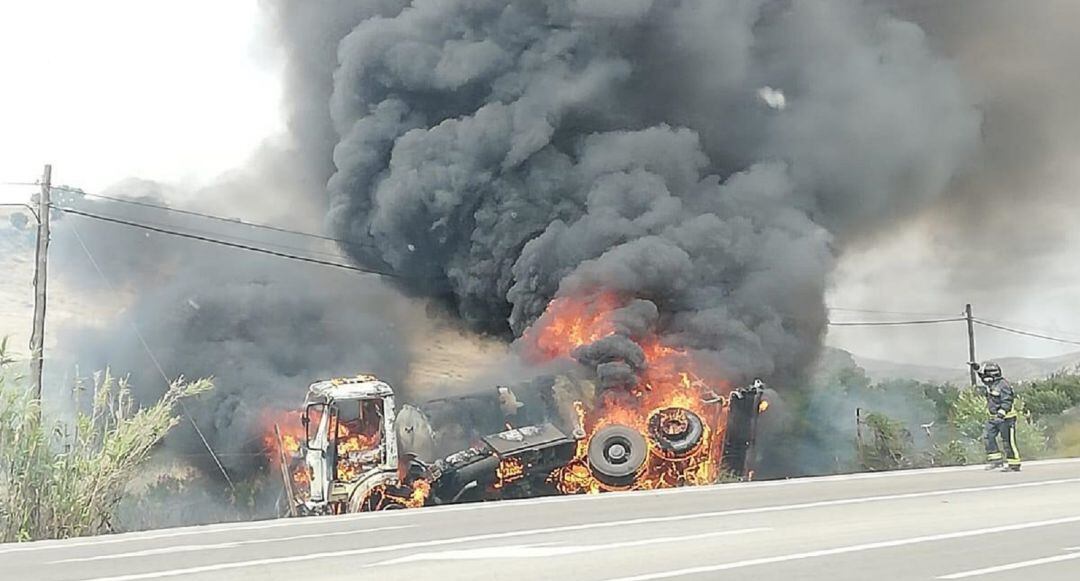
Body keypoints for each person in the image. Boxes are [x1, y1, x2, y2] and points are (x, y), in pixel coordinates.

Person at [970, 361, 1021, 472]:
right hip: (993, 418)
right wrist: (976, 368)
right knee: (988, 437)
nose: (984, 378)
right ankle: (996, 461)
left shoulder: (1003, 385)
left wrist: (1001, 414)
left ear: (993, 374)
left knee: (1008, 442)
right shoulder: (991, 383)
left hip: (1006, 419)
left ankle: (1014, 464)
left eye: (986, 375)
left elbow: (1007, 401)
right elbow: (982, 376)